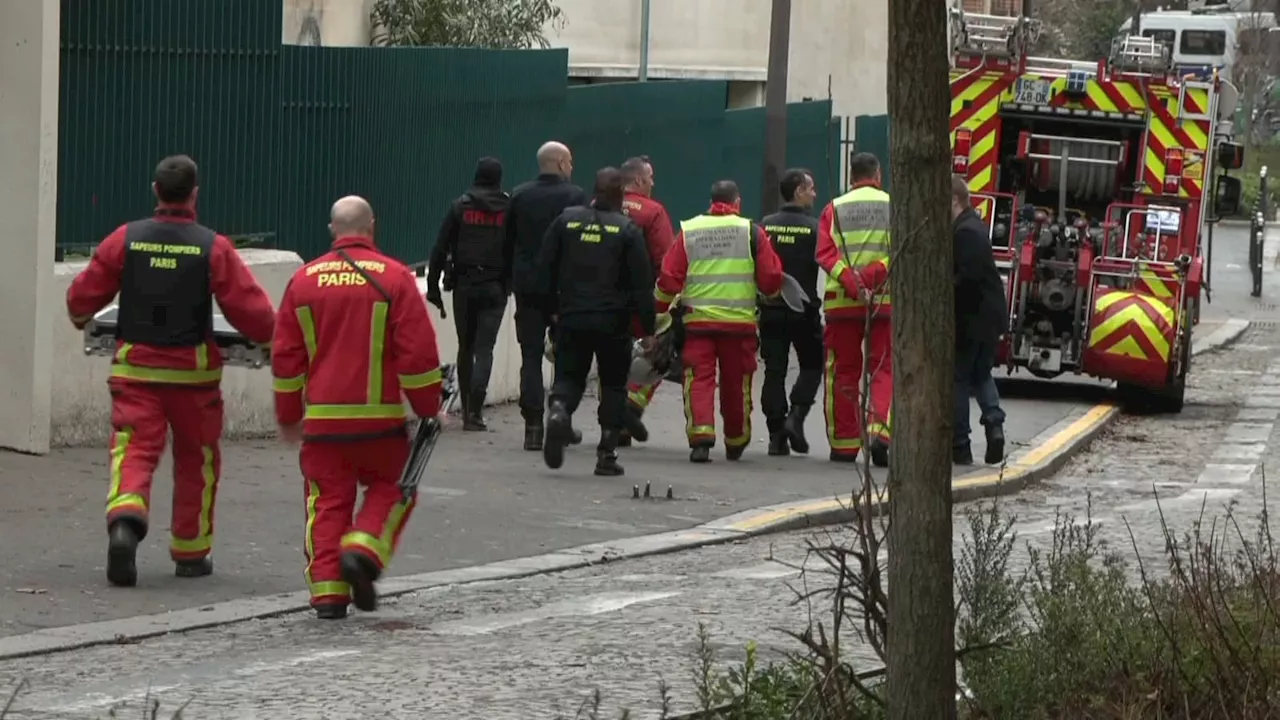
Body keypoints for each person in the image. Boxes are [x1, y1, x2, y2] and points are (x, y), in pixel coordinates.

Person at [65, 154, 277, 588]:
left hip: (136, 371)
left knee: (133, 450)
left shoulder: (125, 240)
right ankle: (191, 552)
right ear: (194, 194)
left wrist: (80, 315)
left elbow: (81, 300)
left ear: (155, 190)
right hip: (193, 378)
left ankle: (126, 518)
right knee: (196, 461)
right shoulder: (212, 246)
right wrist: (273, 339)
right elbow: (249, 311)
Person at [272, 195, 443, 620]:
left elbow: (286, 359)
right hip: (381, 424)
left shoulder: (303, 280)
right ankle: (364, 547)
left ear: (333, 230)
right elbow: (418, 355)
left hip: (324, 426)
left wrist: (289, 415)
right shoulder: (396, 278)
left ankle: (329, 595)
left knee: (327, 501)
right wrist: (429, 407)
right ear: (372, 227)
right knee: (394, 488)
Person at [533, 167, 656, 476]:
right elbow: (642, 285)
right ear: (620, 196)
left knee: (568, 377)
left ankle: (560, 410)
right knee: (614, 385)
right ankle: (607, 454)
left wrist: (552, 312)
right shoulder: (627, 230)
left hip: (572, 315)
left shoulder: (566, 221)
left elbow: (543, 270)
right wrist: (648, 329)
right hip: (614, 322)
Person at [656, 180, 785, 463]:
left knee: (698, 378)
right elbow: (771, 277)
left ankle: (701, 437)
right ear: (737, 202)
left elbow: (669, 277)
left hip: (697, 322)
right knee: (736, 382)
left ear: (710, 200)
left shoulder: (690, 230)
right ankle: (735, 439)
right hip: (739, 325)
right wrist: (772, 294)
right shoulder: (751, 232)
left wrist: (658, 309)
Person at [506, 141, 590, 451]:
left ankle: (532, 426)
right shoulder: (576, 197)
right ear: (559, 163)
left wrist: (510, 280)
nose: (572, 167)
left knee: (530, 357)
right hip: (564, 290)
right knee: (566, 358)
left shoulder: (519, 195)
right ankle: (560, 419)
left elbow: (508, 241)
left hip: (528, 288)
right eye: (569, 162)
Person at [815, 153, 893, 466]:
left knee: (841, 371)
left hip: (842, 303)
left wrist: (852, 281)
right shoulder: (894, 206)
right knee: (883, 368)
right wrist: (871, 277)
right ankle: (878, 432)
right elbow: (902, 250)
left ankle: (844, 445)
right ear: (878, 175)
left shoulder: (833, 208)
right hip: (884, 301)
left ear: (851, 176)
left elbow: (824, 253)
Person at [426, 157, 509, 432]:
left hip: (464, 285)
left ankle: (467, 415)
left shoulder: (460, 206)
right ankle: (475, 411)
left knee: (466, 347)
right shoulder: (508, 208)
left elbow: (439, 248)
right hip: (495, 287)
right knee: (485, 349)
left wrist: (434, 287)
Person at [759, 168, 823, 457]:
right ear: (798, 191)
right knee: (812, 364)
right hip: (803, 311)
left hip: (770, 309)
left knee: (774, 371)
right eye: (810, 188)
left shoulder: (765, 226)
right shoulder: (814, 228)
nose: (814, 193)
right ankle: (795, 417)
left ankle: (776, 436)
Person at [618, 155, 676, 447]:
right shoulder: (653, 212)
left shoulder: (600, 206)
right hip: (642, 300)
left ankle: (612, 419)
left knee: (610, 358)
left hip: (603, 298)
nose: (653, 183)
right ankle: (631, 409)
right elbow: (665, 260)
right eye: (650, 177)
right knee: (656, 356)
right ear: (639, 180)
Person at [950, 175, 1007, 465]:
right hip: (987, 316)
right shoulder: (974, 226)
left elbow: (967, 279)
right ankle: (994, 424)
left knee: (958, 378)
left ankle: (960, 444)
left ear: (955, 200)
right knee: (981, 374)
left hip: (973, 318)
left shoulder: (964, 232)